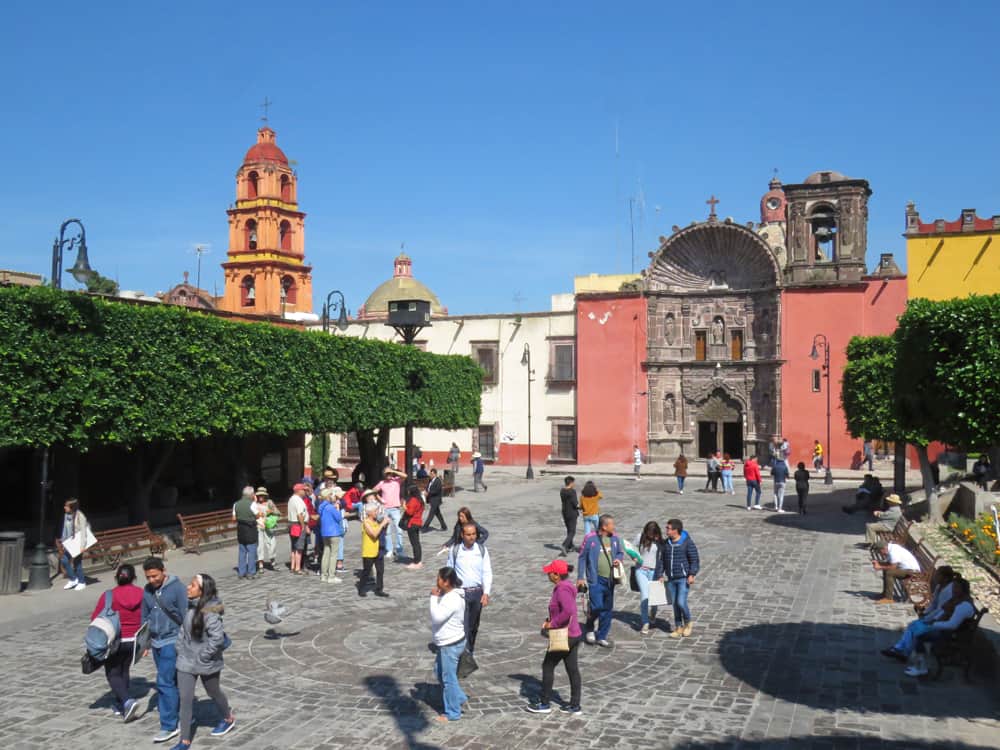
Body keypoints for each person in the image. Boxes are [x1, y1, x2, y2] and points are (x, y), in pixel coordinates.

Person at [174, 573, 235, 747]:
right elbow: (183, 631)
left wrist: (204, 655)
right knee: (185, 698)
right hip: (186, 660)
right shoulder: (191, 607)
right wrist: (179, 648)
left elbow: (217, 639)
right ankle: (184, 740)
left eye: (192, 585)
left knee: (213, 692)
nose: (188, 587)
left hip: (206, 662)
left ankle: (228, 718)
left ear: (202, 591)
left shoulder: (210, 612)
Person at [141, 556, 188, 744]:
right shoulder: (147, 591)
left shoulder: (177, 588)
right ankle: (183, 715)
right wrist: (144, 643)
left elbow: (185, 614)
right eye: (148, 577)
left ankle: (169, 725)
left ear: (163, 571)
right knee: (173, 680)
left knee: (163, 681)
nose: (152, 580)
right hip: (156, 642)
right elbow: (144, 616)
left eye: (154, 576)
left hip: (172, 640)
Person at [526, 559, 582, 714]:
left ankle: (544, 703)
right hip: (574, 634)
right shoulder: (567, 586)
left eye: (550, 572)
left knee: (548, 666)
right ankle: (575, 705)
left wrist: (552, 624)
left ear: (556, 575)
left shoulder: (562, 589)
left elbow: (567, 611)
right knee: (572, 669)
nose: (548, 575)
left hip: (565, 635)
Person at [92, 563, 144, 721]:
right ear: (134, 577)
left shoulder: (109, 596)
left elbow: (96, 618)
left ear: (116, 578)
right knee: (124, 670)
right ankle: (121, 701)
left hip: (116, 640)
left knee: (113, 673)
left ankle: (127, 701)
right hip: (135, 640)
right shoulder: (142, 594)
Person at [882, 567, 957, 662]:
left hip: (940, 621)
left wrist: (928, 619)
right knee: (913, 625)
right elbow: (933, 603)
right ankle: (900, 649)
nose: (935, 576)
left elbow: (942, 610)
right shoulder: (939, 586)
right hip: (933, 617)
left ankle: (901, 650)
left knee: (916, 627)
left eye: (938, 575)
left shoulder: (949, 591)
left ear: (945, 578)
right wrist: (924, 613)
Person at [577, 514, 624, 647]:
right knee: (597, 606)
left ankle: (602, 635)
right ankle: (590, 627)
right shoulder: (590, 538)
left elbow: (620, 553)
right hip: (595, 580)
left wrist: (618, 559)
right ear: (604, 526)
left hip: (610, 580)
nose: (613, 527)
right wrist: (580, 577)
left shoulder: (614, 538)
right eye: (611, 525)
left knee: (607, 609)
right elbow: (582, 557)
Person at [429, 566, 468, 722]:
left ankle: (453, 712)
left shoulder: (452, 599)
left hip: (450, 644)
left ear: (446, 582)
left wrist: (433, 598)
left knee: (448, 678)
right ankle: (458, 697)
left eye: (439, 578)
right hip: (449, 642)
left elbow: (437, 617)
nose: (436, 581)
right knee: (439, 671)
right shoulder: (450, 595)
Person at [447, 523, 493, 653]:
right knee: (463, 626)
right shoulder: (455, 550)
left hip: (477, 593)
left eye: (474, 534)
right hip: (460, 593)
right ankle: (463, 656)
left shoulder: (481, 550)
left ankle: (469, 650)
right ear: (462, 535)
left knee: (473, 626)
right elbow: (449, 570)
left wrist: (486, 592)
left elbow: (487, 572)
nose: (472, 537)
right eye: (468, 534)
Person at [656, 518, 700, 638]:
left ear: (676, 530)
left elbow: (694, 560)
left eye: (668, 528)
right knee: (675, 604)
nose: (666, 530)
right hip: (671, 578)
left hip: (683, 578)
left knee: (681, 602)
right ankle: (678, 627)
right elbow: (661, 561)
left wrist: (692, 574)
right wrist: (660, 574)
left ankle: (688, 623)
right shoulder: (666, 543)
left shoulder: (687, 542)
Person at [634, 521, 664, 634]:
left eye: (652, 533)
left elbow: (663, 557)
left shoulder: (659, 541)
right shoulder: (639, 537)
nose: (650, 536)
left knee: (654, 598)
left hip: (654, 572)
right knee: (645, 595)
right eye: (648, 533)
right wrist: (634, 557)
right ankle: (645, 622)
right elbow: (631, 549)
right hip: (640, 570)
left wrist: (661, 574)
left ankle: (653, 614)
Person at [58, 497, 90, 591]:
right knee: (64, 560)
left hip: (78, 542)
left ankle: (82, 582)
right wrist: (64, 542)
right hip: (70, 542)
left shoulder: (80, 516)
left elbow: (84, 531)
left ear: (72, 507)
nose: (64, 507)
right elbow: (65, 530)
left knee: (77, 563)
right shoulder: (66, 516)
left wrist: (82, 546)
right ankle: (73, 579)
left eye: (66, 506)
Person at [359, 502, 390, 597]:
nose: (377, 512)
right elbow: (374, 534)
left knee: (380, 571)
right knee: (367, 571)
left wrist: (386, 524)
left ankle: (379, 589)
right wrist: (382, 524)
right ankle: (361, 589)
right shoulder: (366, 522)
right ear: (370, 512)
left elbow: (383, 532)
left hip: (379, 549)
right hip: (369, 550)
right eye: (375, 510)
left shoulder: (377, 521)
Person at [375, 468, 406, 559]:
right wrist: (380, 499)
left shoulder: (396, 481)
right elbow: (373, 491)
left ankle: (400, 549)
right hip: (385, 509)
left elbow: (405, 476)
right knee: (387, 532)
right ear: (384, 474)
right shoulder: (382, 483)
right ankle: (389, 550)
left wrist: (393, 471)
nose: (388, 475)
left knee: (399, 530)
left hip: (395, 508)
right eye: (386, 474)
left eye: (389, 473)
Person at [317, 487, 345, 583]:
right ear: (328, 496)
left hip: (324, 533)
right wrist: (337, 508)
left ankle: (324, 575)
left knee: (326, 553)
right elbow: (338, 518)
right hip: (333, 532)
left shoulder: (321, 506)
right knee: (334, 555)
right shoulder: (330, 507)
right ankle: (331, 576)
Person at [231, 486, 258, 580]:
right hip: (250, 530)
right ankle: (251, 572)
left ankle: (241, 572)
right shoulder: (252, 504)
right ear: (251, 494)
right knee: (251, 552)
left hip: (241, 530)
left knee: (242, 551)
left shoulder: (236, 504)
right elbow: (258, 515)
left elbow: (234, 519)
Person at [252, 487, 279, 572]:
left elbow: (278, 512)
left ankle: (273, 561)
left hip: (268, 526)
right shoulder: (254, 504)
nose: (260, 497)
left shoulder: (269, 502)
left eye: (262, 495)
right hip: (259, 526)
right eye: (259, 495)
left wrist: (270, 511)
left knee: (272, 543)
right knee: (260, 545)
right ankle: (260, 564)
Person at [402, 484, 426, 570]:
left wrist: (404, 506)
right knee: (417, 543)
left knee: (414, 543)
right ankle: (418, 560)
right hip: (418, 522)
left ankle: (417, 562)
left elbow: (409, 512)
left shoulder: (413, 500)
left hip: (412, 523)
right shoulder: (420, 499)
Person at [286, 483, 309, 575]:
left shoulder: (291, 499)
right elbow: (299, 514)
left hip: (291, 524)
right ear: (299, 490)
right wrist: (303, 525)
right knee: (299, 548)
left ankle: (292, 566)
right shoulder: (298, 500)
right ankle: (297, 568)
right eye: (304, 490)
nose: (305, 492)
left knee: (293, 547)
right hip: (298, 524)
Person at [559, 475, 579, 556]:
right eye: (573, 482)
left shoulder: (562, 491)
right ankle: (565, 545)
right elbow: (575, 503)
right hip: (572, 512)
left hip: (565, 511)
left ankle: (570, 545)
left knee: (568, 529)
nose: (574, 484)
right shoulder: (572, 491)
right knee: (572, 531)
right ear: (571, 483)